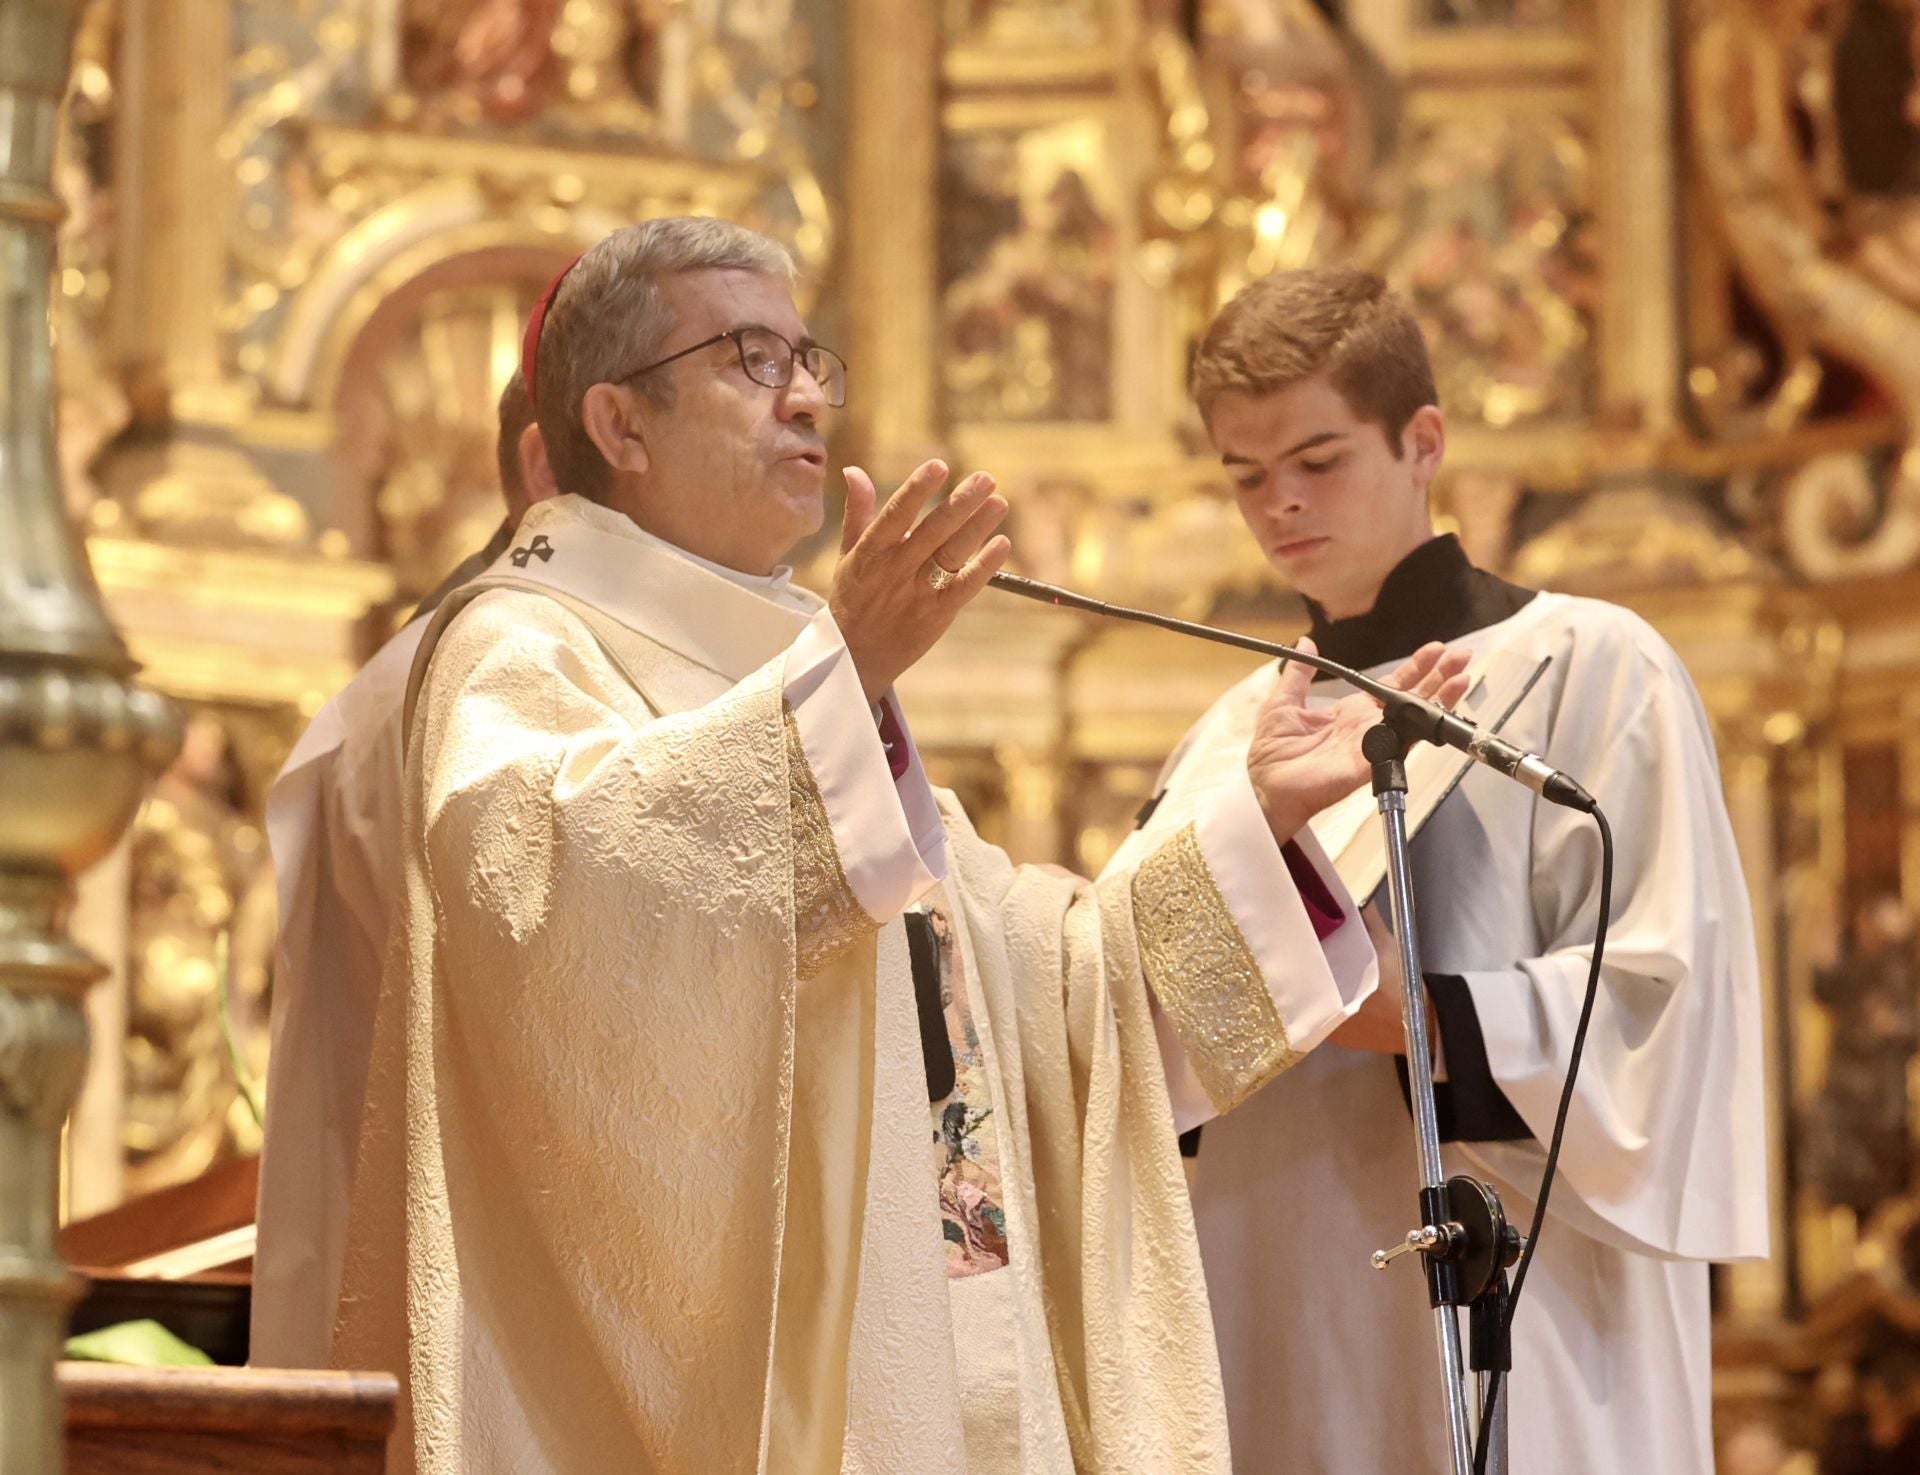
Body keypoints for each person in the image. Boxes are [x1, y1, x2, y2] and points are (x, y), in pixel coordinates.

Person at [330, 219, 1467, 1475]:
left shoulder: (786, 665)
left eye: (809, 357)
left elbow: (1026, 993)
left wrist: (1257, 831)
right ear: (620, 423)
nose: (809, 395)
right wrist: (844, 674)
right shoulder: (524, 646)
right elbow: (554, 914)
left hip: (940, 1361)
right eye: (750, 359)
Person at [1107, 267, 1769, 1474]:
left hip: (1530, 1299)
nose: (1281, 505)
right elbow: (1128, 1028)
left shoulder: (1592, 665)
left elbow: (1666, 1008)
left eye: (1318, 459)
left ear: (1423, 442)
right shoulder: (1224, 738)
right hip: (1277, 1303)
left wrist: (1398, 1016)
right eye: (1246, 475)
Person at [251, 370, 555, 1371]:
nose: (797, 408)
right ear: (553, 459)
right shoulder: (497, 671)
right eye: (743, 368)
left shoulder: (434, 666)